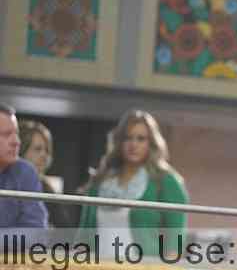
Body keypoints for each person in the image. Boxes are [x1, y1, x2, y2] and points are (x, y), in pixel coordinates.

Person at [77, 109, 188, 257]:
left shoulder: (166, 181)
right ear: (119, 141)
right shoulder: (100, 181)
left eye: (141, 139)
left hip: (142, 269)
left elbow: (175, 242)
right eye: (127, 138)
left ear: (151, 142)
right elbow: (83, 238)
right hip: (98, 268)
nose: (133, 144)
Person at [0, 103, 48, 231]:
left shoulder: (25, 172)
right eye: (6, 134)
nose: (16, 141)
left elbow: (36, 231)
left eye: (16, 133)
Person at [19, 119, 74, 228]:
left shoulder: (48, 191)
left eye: (47, 150)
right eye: (38, 149)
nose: (44, 155)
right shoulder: (9, 186)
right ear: (21, 150)